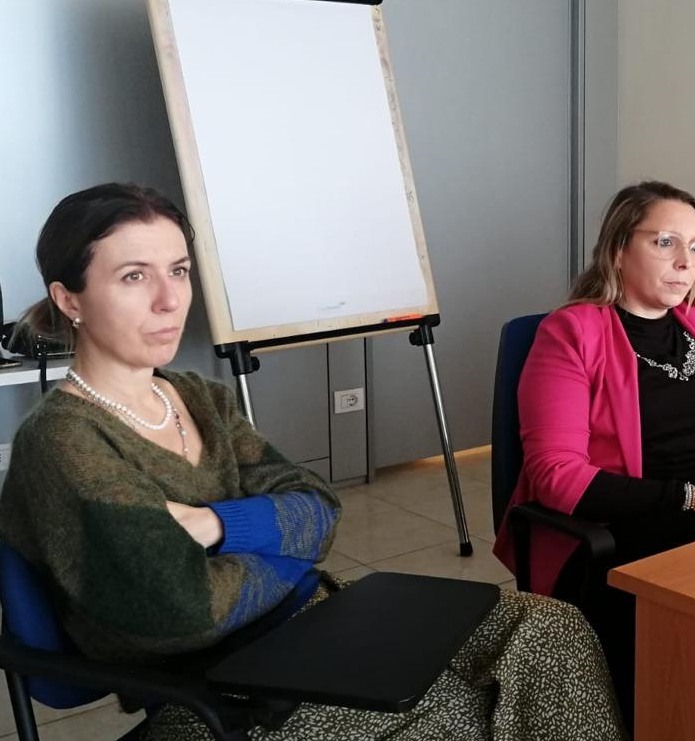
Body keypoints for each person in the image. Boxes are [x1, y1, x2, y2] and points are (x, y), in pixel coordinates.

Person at [0, 183, 624, 740]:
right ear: (70, 299)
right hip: (215, 691)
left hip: (311, 625)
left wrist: (219, 525)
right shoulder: (63, 440)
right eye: (134, 276)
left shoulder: (200, 397)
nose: (170, 299)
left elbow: (321, 507)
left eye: (180, 270)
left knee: (549, 630)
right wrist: (287, 549)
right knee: (459, 709)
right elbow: (185, 611)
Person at [492, 180, 695, 720]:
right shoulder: (571, 333)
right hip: (630, 529)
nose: (686, 262)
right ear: (618, 248)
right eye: (664, 243)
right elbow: (556, 474)